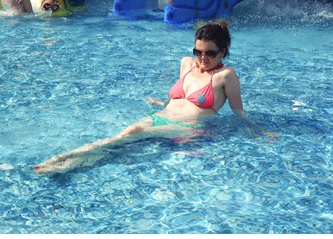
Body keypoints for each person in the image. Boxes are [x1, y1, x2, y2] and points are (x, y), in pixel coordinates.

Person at [34, 22, 271, 174]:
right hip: (161, 117)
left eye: (210, 53)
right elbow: (180, 96)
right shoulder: (186, 64)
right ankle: (68, 163)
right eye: (198, 51)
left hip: (187, 129)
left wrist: (257, 129)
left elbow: (238, 112)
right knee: (125, 141)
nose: (202, 57)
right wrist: (162, 103)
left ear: (223, 52)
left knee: (129, 135)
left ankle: (65, 161)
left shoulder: (225, 76)